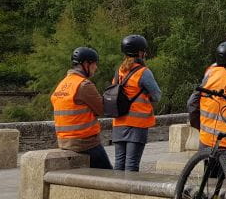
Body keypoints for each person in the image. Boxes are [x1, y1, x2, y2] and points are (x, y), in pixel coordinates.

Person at [50, 47, 112, 169]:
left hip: (63, 141)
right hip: (84, 143)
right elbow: (102, 109)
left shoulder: (62, 84)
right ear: (85, 64)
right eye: (94, 64)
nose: (96, 67)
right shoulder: (84, 85)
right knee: (109, 175)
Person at [111, 34, 162, 172]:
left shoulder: (119, 71)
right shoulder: (143, 72)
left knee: (119, 164)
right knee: (132, 165)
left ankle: (116, 192)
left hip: (119, 123)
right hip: (136, 124)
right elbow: (157, 95)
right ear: (140, 52)